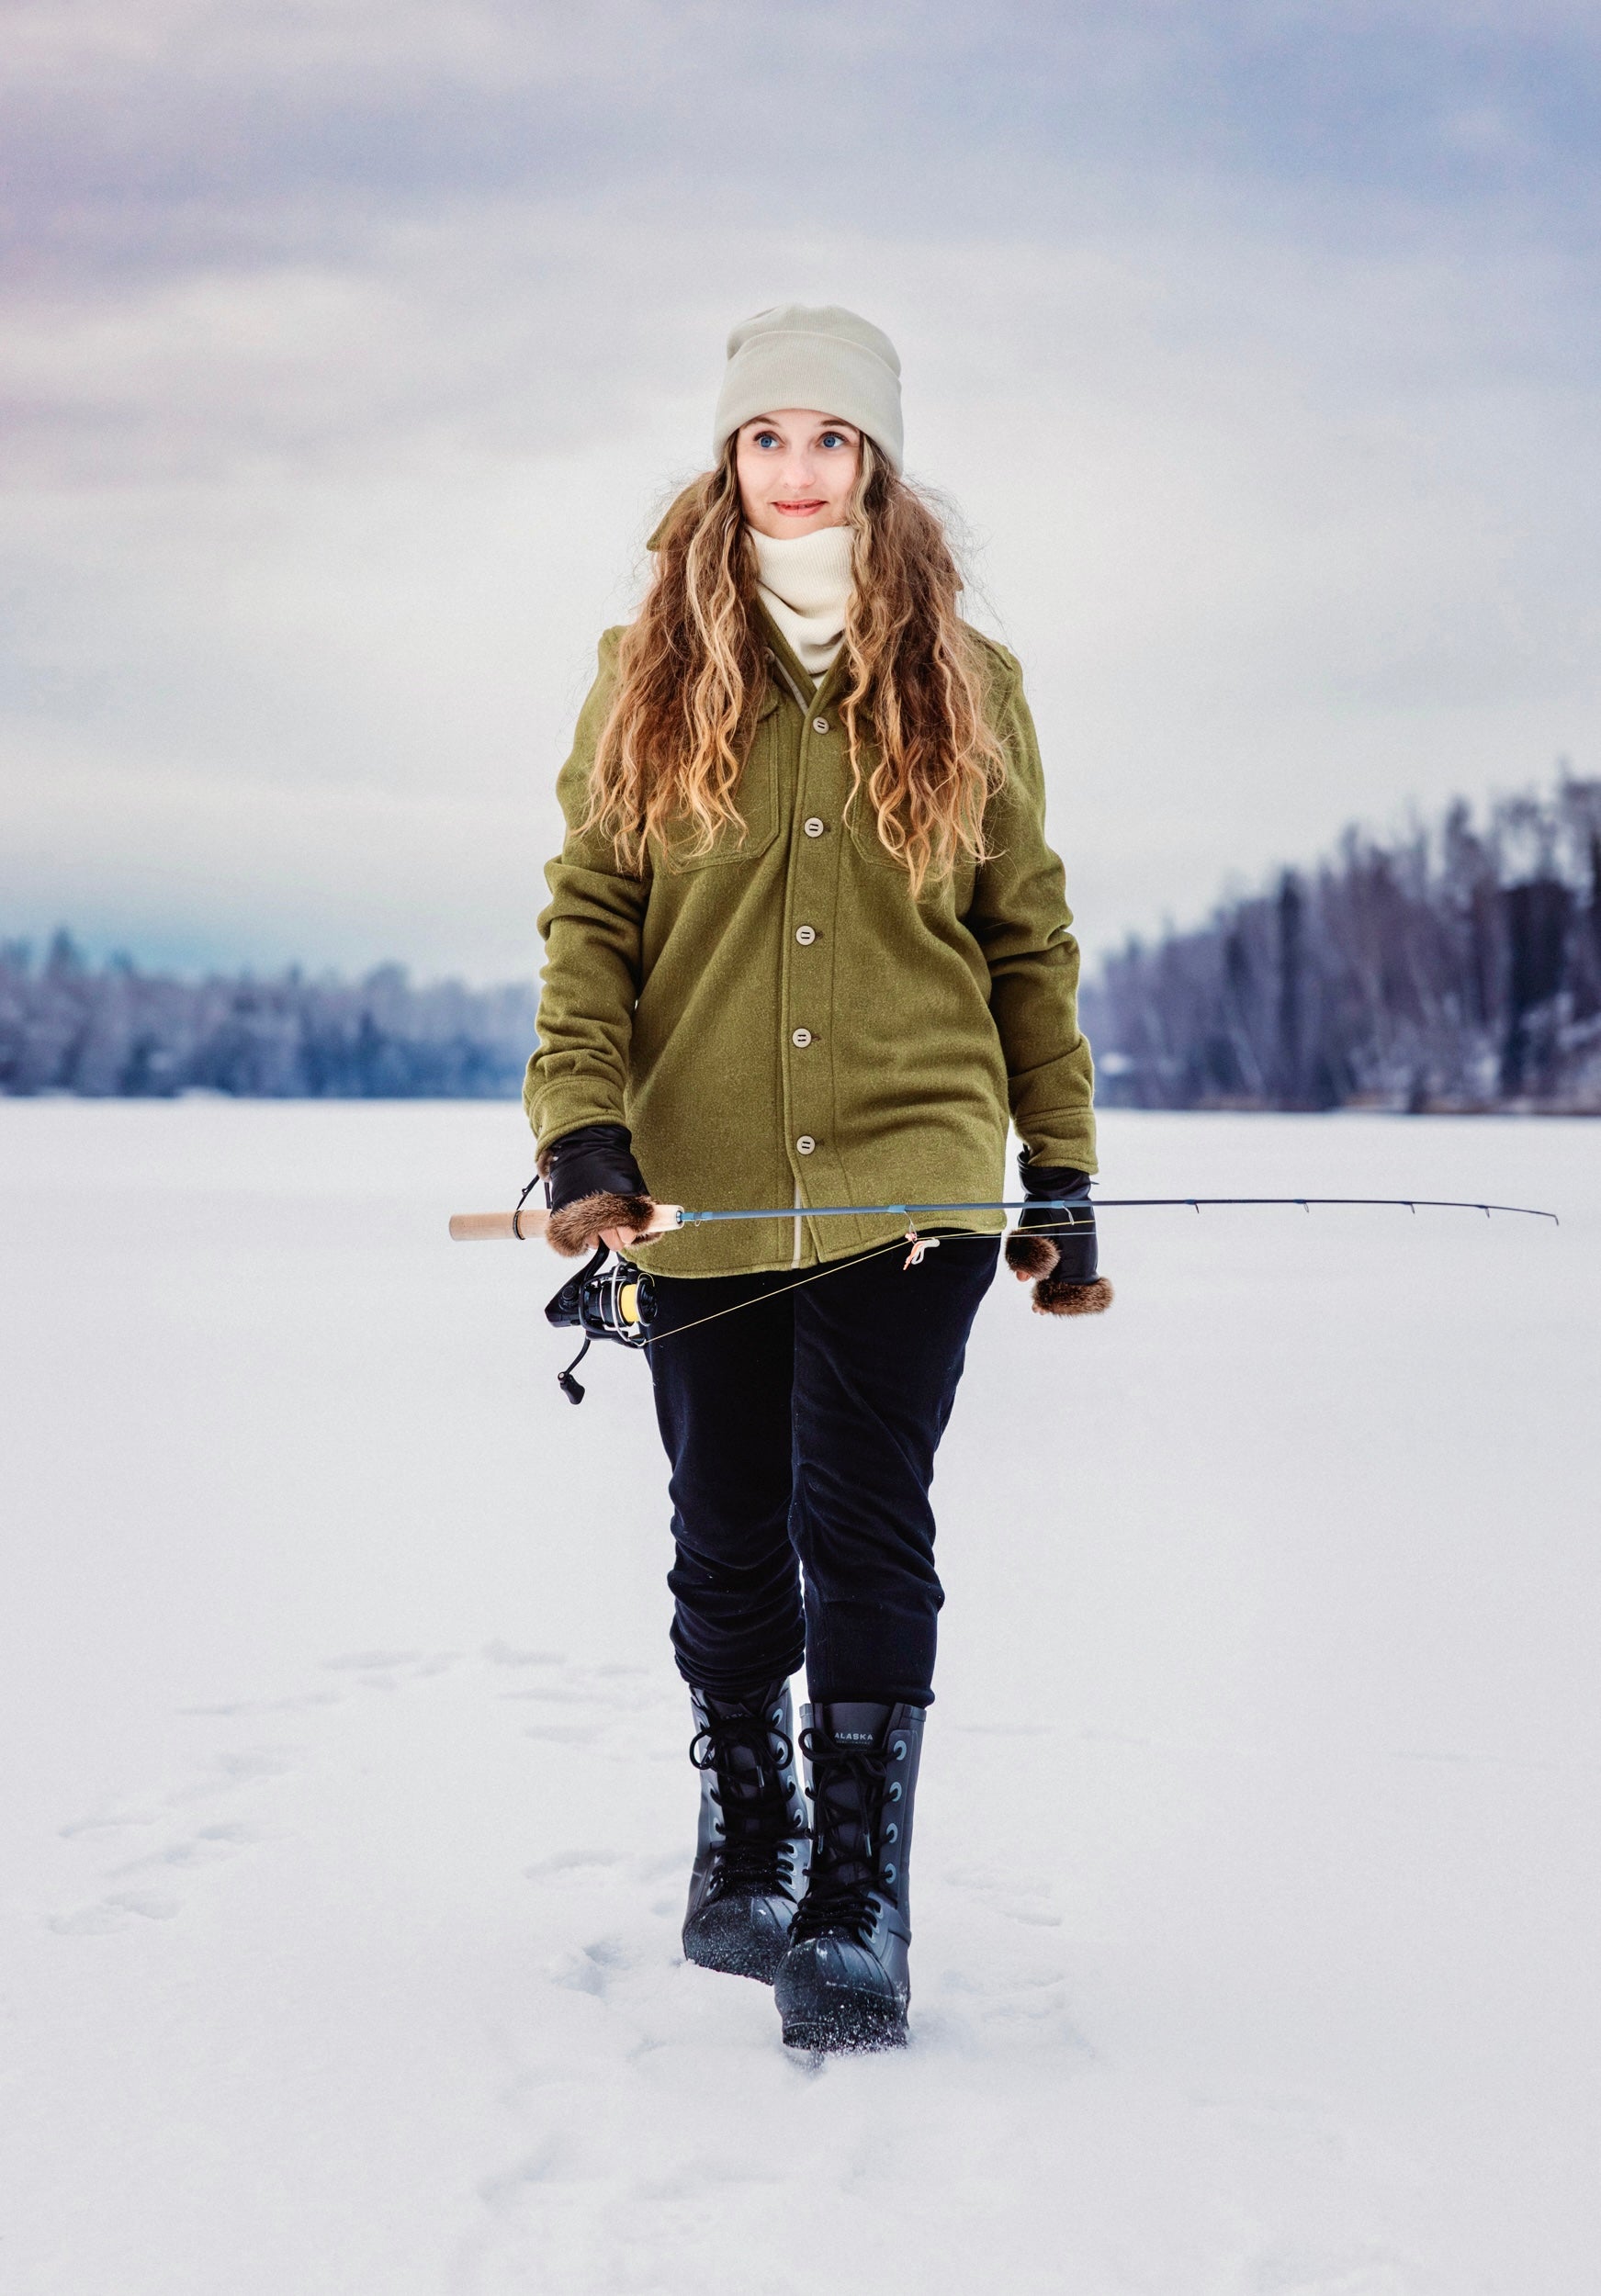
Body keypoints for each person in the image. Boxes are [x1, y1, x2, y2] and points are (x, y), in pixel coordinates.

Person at [525, 304, 1109, 2053]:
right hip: (694, 1179)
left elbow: (1026, 938)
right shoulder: (643, 669)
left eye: (831, 438)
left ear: (878, 461)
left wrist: (1060, 1162)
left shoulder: (971, 681)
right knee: (727, 1528)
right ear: (730, 457)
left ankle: (857, 1898)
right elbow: (591, 917)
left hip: (913, 1170)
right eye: (767, 437)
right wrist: (581, 1126)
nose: (797, 470)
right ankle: (753, 1816)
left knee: (864, 1518)